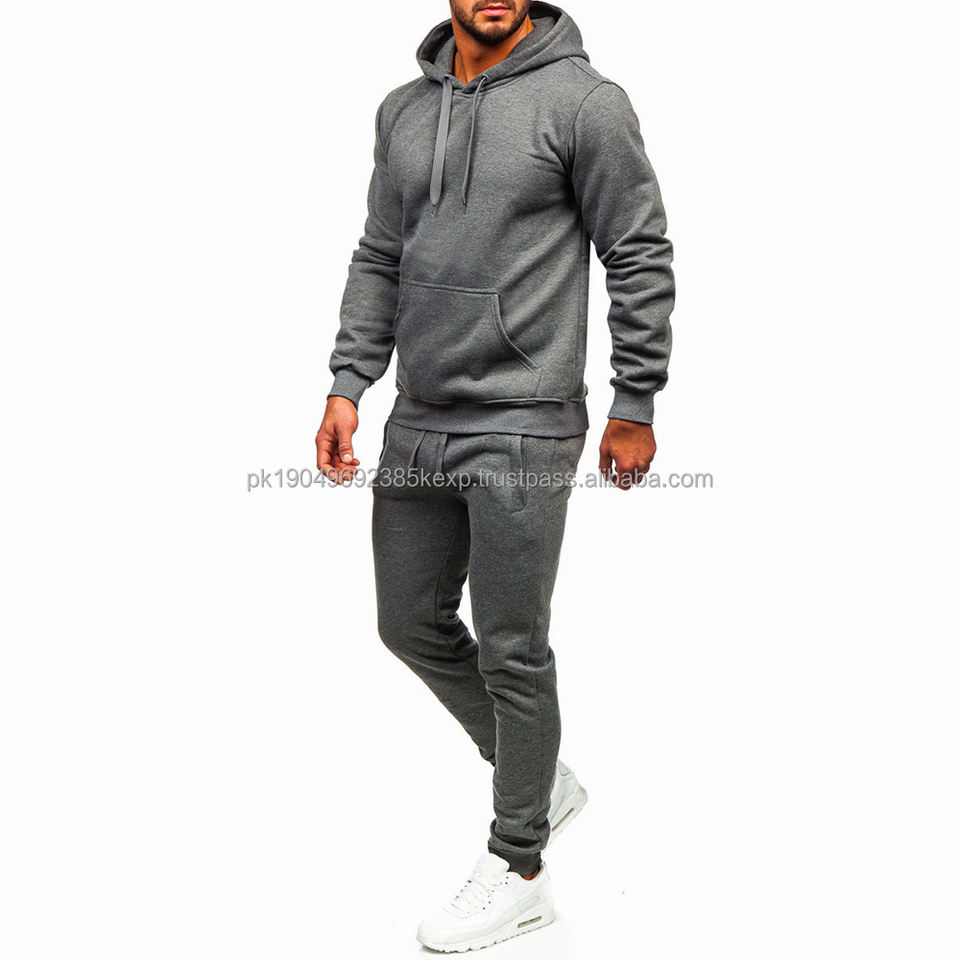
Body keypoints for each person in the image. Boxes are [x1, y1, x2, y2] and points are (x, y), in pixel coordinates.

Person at [315, 0, 674, 950]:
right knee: (408, 622)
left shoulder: (586, 103)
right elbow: (380, 254)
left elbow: (637, 250)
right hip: (419, 415)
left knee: (514, 646)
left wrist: (635, 399)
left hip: (525, 419)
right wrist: (349, 383)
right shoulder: (403, 109)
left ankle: (520, 866)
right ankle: (539, 779)